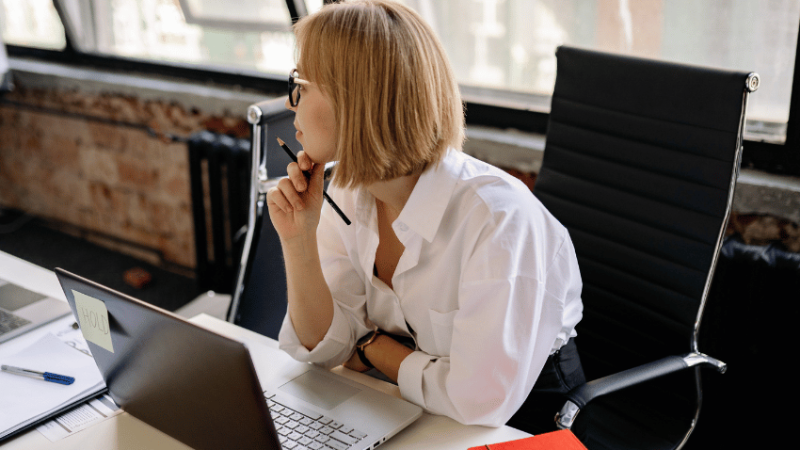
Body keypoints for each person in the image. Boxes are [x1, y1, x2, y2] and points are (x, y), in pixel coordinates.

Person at [267, 0, 584, 429]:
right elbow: (324, 348)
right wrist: (298, 241)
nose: (292, 103)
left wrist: (371, 346)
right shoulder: (348, 192)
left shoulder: (498, 222)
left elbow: (479, 401)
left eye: (300, 84)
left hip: (519, 422)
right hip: (408, 403)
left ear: (356, 101)